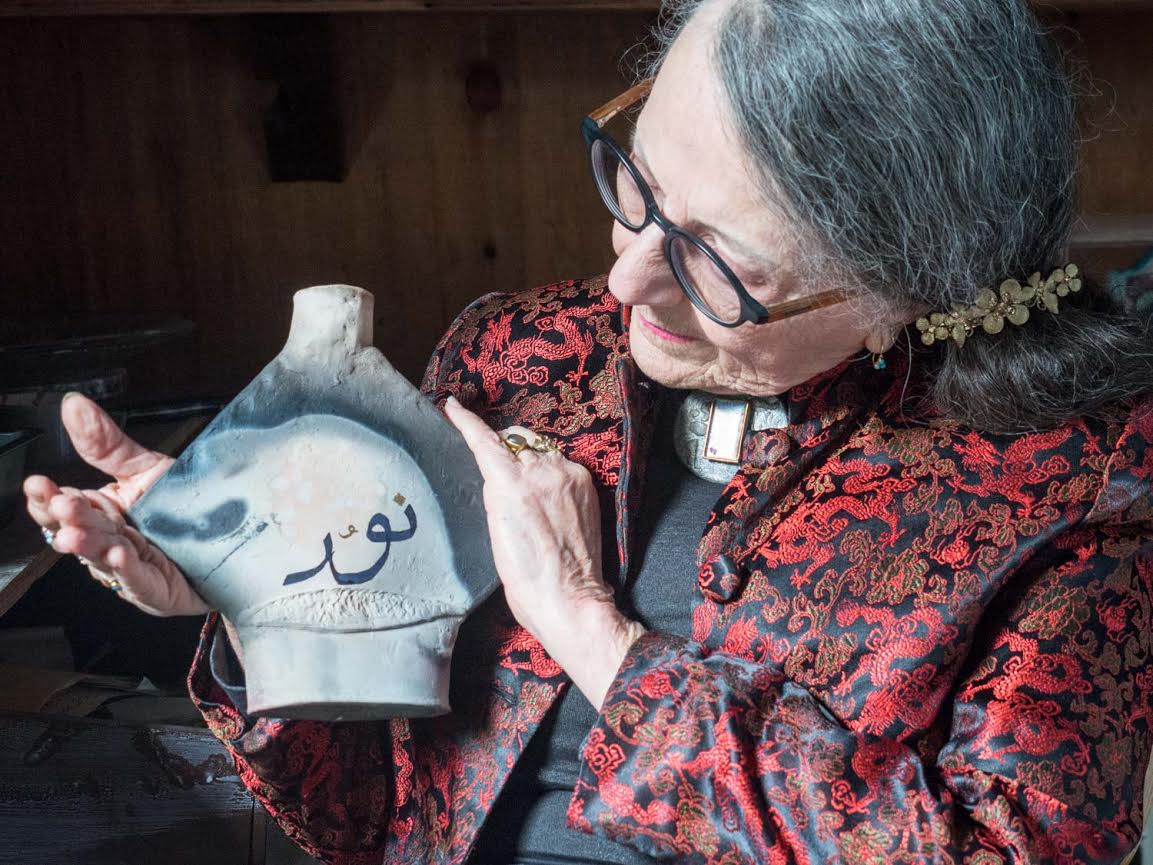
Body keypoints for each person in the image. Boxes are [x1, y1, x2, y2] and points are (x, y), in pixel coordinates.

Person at [23, 0, 1153, 862]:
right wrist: (256, 602)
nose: (623, 280)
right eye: (636, 182)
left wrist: (593, 636)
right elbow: (368, 815)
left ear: (907, 289)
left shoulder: (1082, 478)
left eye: (716, 266)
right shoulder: (515, 356)